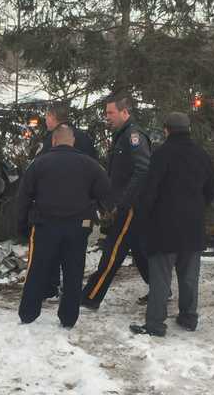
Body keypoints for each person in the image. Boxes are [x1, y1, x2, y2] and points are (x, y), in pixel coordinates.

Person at [130, 113, 214, 337]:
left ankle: (156, 324)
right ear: (188, 129)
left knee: (161, 277)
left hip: (164, 226)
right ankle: (189, 317)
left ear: (166, 129)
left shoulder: (161, 154)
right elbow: (212, 190)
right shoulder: (202, 155)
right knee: (189, 277)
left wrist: (142, 215)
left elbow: (150, 191)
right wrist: (196, 208)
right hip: (193, 226)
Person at [17, 125, 112, 328]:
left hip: (44, 225)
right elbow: (106, 194)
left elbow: (23, 196)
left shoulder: (39, 164)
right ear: (73, 141)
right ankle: (68, 317)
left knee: (36, 269)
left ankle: (28, 314)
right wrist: (100, 213)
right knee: (73, 271)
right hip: (78, 227)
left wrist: (22, 224)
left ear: (53, 141)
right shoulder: (91, 165)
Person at [82, 94, 151, 310]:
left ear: (124, 112)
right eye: (106, 113)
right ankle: (160, 287)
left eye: (111, 113)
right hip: (124, 203)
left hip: (130, 207)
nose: (107, 117)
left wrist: (123, 203)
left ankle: (90, 296)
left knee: (113, 251)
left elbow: (142, 170)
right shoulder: (121, 136)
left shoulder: (133, 137)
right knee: (139, 250)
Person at [35, 103, 97, 300]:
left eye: (47, 116)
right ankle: (71, 291)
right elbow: (96, 171)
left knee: (51, 249)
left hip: (54, 207)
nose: (45, 120)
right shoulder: (85, 138)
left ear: (54, 117)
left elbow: (39, 171)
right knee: (75, 254)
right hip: (82, 208)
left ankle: (50, 286)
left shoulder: (51, 140)